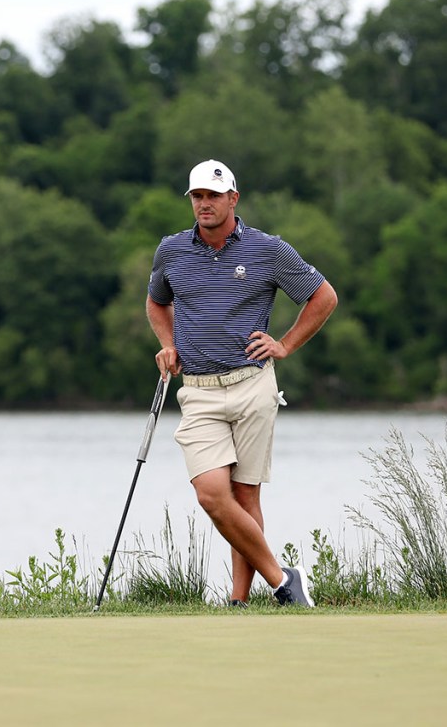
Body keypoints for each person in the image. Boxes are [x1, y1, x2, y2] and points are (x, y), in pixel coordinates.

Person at [146, 159, 338, 607]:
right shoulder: (171, 251)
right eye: (197, 196)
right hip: (198, 389)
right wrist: (168, 343)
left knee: (246, 494)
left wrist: (285, 345)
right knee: (212, 493)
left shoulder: (268, 250)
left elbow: (323, 296)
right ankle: (283, 578)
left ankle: (239, 602)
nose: (204, 204)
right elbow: (157, 305)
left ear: (233, 198)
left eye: (213, 196)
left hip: (252, 384)